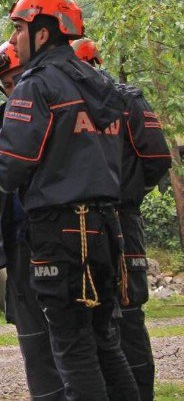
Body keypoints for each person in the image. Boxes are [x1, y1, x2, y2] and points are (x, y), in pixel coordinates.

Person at [0, 0, 139, 400]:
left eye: (19, 28)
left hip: (59, 233)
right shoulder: (102, 83)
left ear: (43, 33)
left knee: (72, 346)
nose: (15, 39)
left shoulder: (36, 85)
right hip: (105, 228)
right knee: (105, 341)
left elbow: (15, 162)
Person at [72, 38, 172, 401]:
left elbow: (158, 158)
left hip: (121, 222)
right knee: (93, 318)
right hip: (89, 222)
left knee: (127, 316)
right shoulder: (70, 102)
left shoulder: (126, 100)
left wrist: (126, 193)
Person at [0, 42, 63, 400]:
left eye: (19, 78)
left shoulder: (55, 110)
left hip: (52, 234)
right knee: (33, 339)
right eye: (7, 84)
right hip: (16, 238)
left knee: (70, 336)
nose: (15, 88)